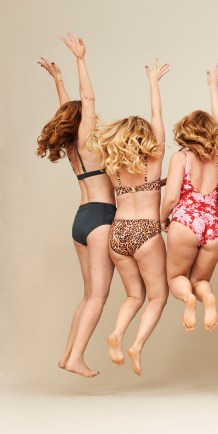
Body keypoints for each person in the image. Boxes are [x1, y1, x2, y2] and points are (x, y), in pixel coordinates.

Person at [36, 34, 115, 377]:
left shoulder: (72, 146)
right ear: (83, 121)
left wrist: (58, 80)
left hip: (81, 219)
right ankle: (76, 357)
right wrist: (81, 60)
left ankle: (68, 354)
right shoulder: (86, 139)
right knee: (99, 296)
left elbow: (68, 109)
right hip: (101, 217)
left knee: (88, 295)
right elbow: (88, 99)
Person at [91, 58, 170, 376]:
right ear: (145, 137)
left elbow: (134, 190)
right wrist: (154, 83)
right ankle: (136, 345)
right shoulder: (155, 158)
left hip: (119, 232)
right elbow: (157, 115)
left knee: (134, 295)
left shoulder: (113, 166)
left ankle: (117, 333)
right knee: (158, 296)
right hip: (147, 232)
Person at [161, 65, 218, 337]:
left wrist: (162, 220)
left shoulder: (181, 157)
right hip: (215, 223)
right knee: (200, 280)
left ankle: (189, 299)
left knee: (176, 278)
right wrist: (214, 88)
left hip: (186, 220)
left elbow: (171, 198)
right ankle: (207, 298)